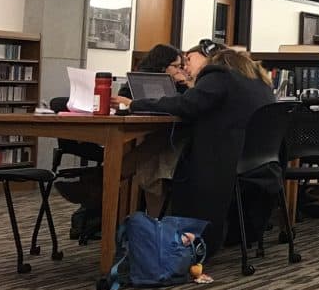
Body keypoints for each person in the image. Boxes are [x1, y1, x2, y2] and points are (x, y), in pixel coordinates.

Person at [113, 49, 275, 260]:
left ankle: (112, 186)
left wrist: (133, 104)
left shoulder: (219, 76)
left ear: (217, 61)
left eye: (189, 61)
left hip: (220, 162)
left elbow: (186, 105)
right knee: (161, 147)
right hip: (256, 161)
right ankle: (107, 183)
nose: (188, 67)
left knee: (160, 154)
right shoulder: (260, 81)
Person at [119, 44, 191, 98]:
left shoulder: (179, 82)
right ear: (162, 66)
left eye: (180, 67)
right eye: (175, 66)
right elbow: (123, 97)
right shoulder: (140, 78)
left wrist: (185, 84)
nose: (179, 71)